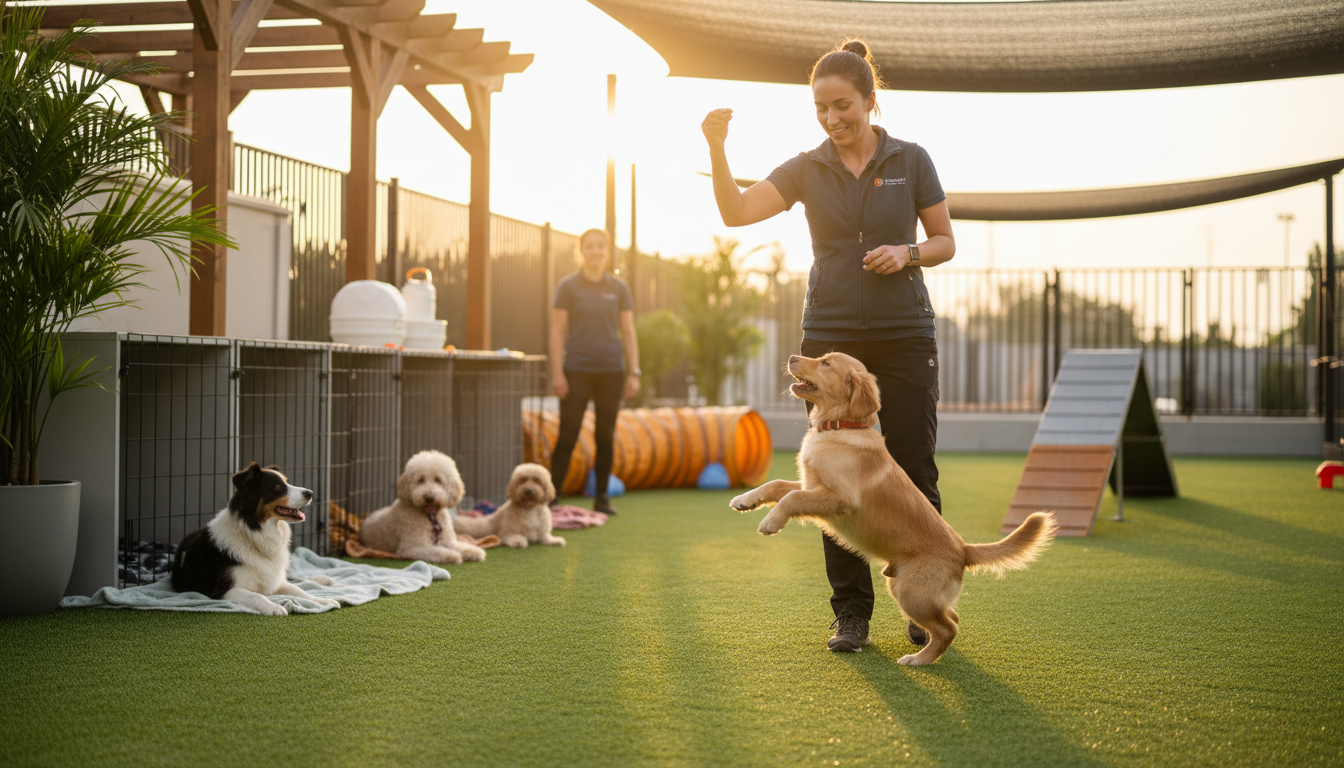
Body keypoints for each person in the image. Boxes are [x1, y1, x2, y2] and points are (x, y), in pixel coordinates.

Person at [701, 38, 955, 652]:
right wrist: (716, 147)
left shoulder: (911, 159)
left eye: (843, 106)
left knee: (915, 470)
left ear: (869, 100)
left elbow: (944, 240)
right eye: (821, 108)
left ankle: (922, 602)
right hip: (830, 342)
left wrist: (909, 252)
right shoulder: (805, 168)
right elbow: (736, 212)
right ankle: (852, 615)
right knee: (824, 478)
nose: (832, 119)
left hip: (902, 338)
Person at [548, 228, 641, 515]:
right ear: (581, 250)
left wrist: (634, 371)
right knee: (567, 435)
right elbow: (557, 330)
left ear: (607, 250)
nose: (596, 251)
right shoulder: (568, 286)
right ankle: (551, 498)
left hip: (611, 371)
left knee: (605, 436)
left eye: (601, 246)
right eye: (590, 246)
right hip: (576, 370)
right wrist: (557, 374)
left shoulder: (618, 288)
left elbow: (628, 330)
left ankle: (601, 498)